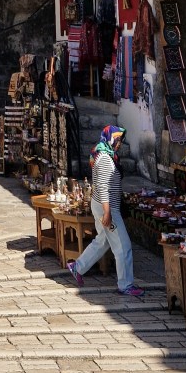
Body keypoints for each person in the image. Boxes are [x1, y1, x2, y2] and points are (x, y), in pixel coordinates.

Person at [68, 124, 144, 296]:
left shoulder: (106, 155)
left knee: (103, 241)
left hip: (104, 205)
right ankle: (125, 285)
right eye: (117, 140)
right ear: (110, 138)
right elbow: (102, 187)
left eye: (121, 141)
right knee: (123, 246)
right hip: (107, 208)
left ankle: (77, 267)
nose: (119, 144)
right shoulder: (104, 158)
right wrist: (108, 213)